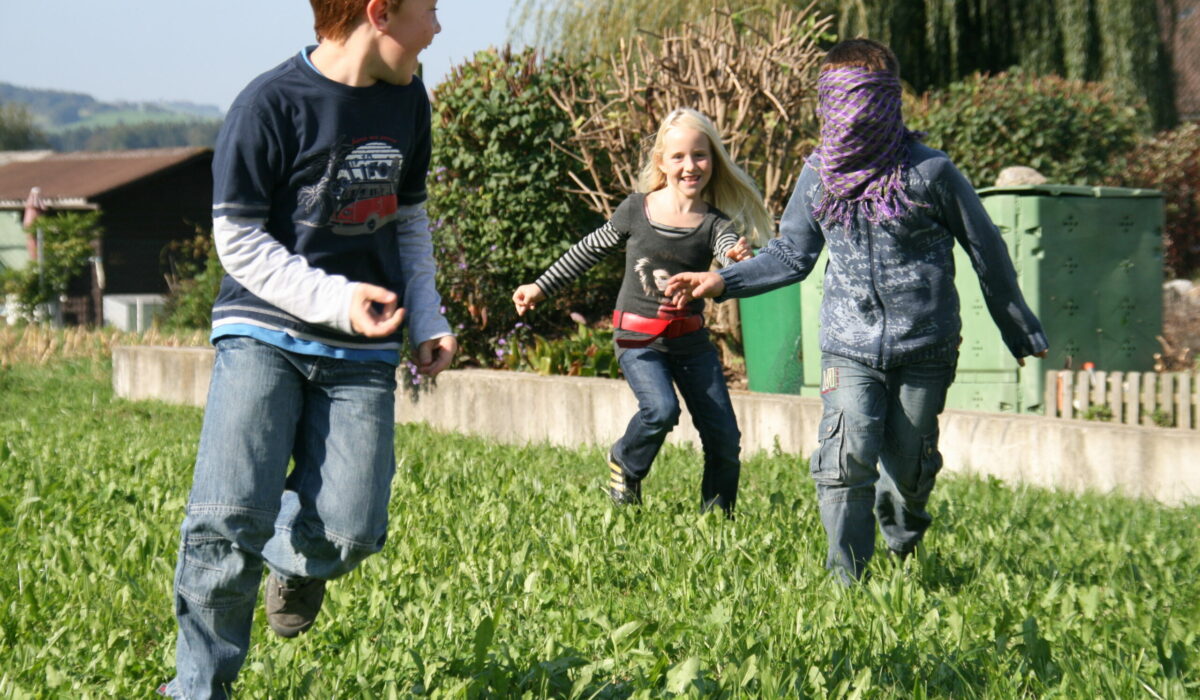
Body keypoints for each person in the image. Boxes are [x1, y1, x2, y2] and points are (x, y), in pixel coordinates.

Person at [666, 39, 1049, 582]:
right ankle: (848, 584)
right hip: (848, 345)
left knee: (911, 470)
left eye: (867, 102)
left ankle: (902, 540)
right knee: (843, 460)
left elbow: (986, 248)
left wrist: (1020, 330)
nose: (854, 118)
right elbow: (792, 254)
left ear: (889, 102)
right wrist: (721, 280)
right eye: (842, 104)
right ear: (828, 107)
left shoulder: (930, 172)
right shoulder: (820, 174)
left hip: (926, 345)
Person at [159, 1, 456, 697]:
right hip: (264, 332)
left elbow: (408, 220)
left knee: (353, 529)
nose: (438, 29)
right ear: (380, 14)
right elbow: (238, 242)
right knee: (227, 521)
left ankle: (293, 562)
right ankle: (198, 688)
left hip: (364, 355)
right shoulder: (269, 104)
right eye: (431, 10)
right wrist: (336, 299)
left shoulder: (408, 99)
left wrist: (428, 316)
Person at [512, 107, 773, 516]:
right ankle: (626, 463)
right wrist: (540, 286)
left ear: (713, 160)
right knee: (660, 410)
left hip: (690, 343)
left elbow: (729, 253)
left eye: (700, 155)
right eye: (679, 157)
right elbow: (587, 251)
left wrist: (736, 256)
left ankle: (719, 520)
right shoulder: (636, 210)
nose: (690, 166)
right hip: (637, 339)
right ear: (661, 163)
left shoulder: (715, 224)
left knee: (724, 436)